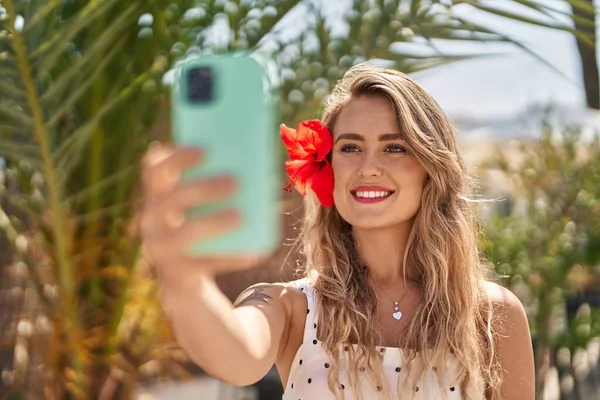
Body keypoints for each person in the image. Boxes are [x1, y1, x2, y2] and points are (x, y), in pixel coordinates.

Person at [140, 63, 535, 399]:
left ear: (432, 167)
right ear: (328, 167)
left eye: (394, 147)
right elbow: (235, 355)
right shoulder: (292, 307)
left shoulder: (491, 315)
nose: (367, 167)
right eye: (350, 147)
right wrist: (184, 281)